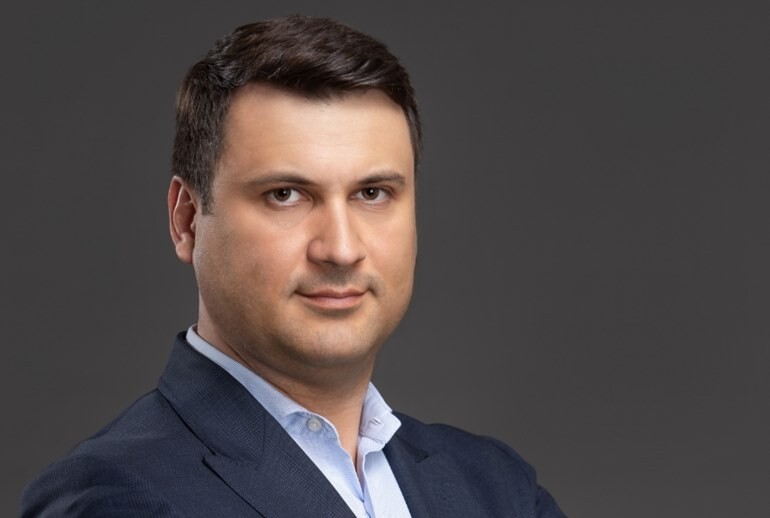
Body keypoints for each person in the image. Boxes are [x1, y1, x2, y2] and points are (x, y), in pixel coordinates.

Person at [21, 14, 565, 517]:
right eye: (285, 194)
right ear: (187, 221)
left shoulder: (496, 487)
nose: (341, 249)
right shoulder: (116, 497)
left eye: (372, 193)